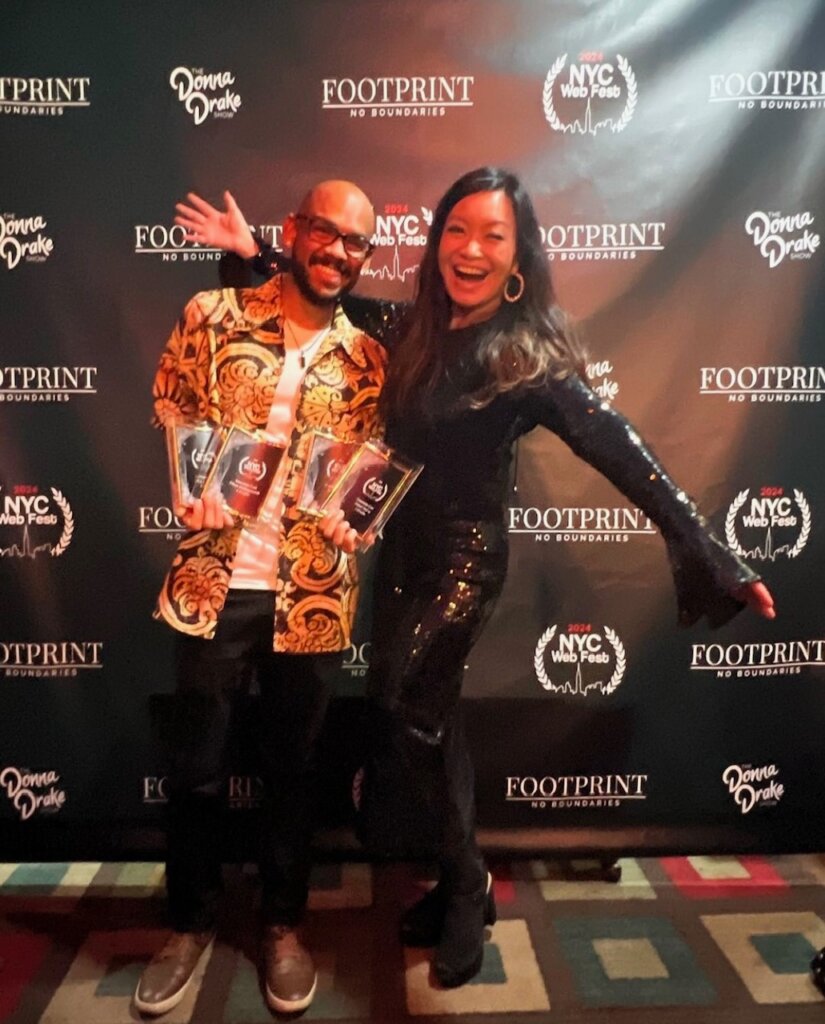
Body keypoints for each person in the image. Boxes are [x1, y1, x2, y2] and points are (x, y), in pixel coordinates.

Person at [175, 167, 775, 989]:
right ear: (436, 243)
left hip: (462, 565)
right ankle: (465, 878)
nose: (470, 249)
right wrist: (251, 259)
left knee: (400, 705)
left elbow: (618, 448)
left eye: (492, 235)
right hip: (395, 559)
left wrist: (709, 550)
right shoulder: (409, 327)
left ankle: (463, 885)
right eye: (457, 230)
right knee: (428, 721)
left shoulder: (528, 358)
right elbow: (320, 306)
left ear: (517, 253)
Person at [136, 180, 386, 1016]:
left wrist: (360, 524)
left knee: (292, 771)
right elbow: (173, 405)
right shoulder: (212, 316)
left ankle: (282, 923)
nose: (340, 252)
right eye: (327, 233)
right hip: (213, 580)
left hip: (311, 593)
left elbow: (365, 473)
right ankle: (190, 921)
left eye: (357, 242)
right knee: (196, 766)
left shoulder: (369, 358)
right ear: (293, 232)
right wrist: (185, 484)